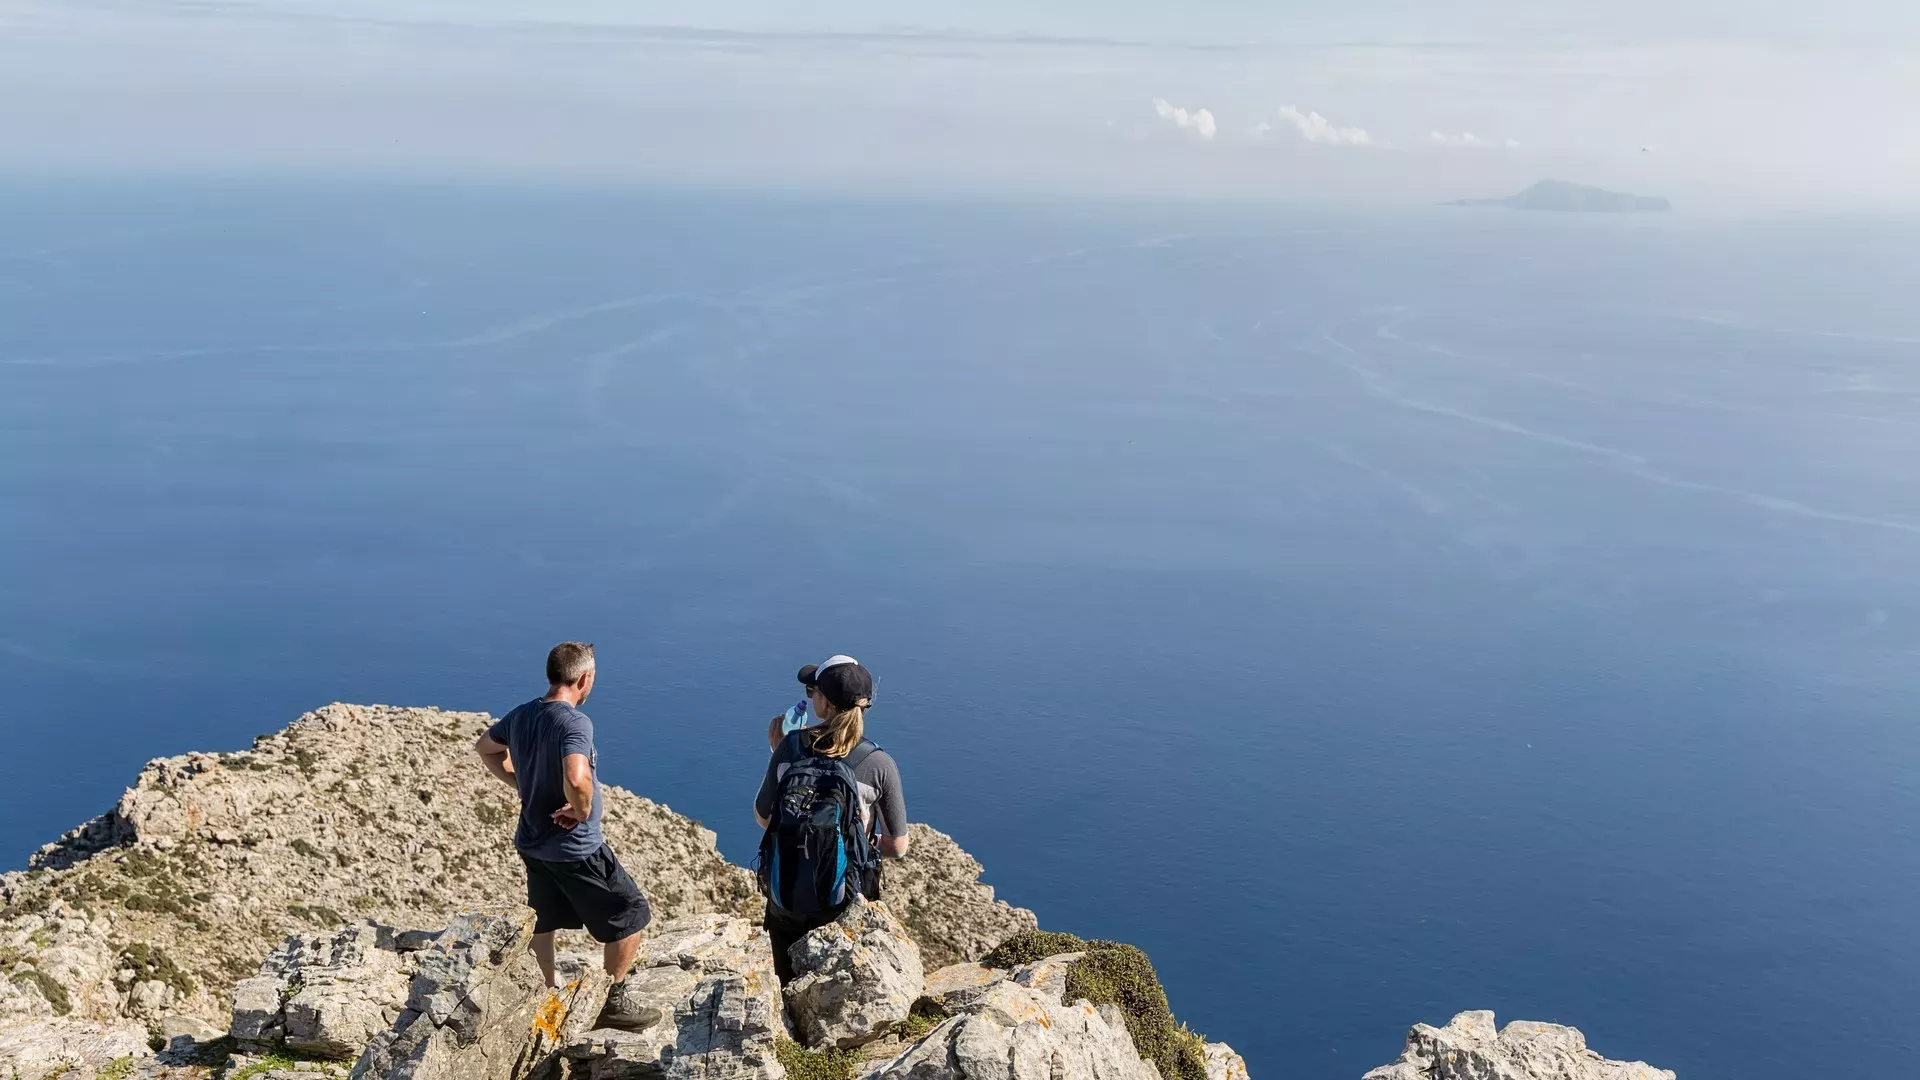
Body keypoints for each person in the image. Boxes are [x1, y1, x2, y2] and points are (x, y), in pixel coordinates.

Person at [475, 642, 652, 990]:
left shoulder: (522, 714)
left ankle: (544, 991)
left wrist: (517, 780)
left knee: (544, 920)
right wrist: (582, 810)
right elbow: (576, 776)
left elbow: (486, 747)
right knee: (631, 914)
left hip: (532, 841)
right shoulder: (575, 723)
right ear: (584, 679)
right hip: (575, 848)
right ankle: (612, 999)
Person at [753, 655, 909, 981]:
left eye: (813, 692)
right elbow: (897, 847)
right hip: (845, 902)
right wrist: (861, 838)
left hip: (788, 896)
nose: (811, 698)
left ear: (823, 703)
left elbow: (764, 818)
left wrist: (778, 753)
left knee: (787, 989)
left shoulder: (789, 747)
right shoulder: (880, 764)